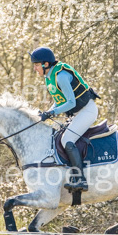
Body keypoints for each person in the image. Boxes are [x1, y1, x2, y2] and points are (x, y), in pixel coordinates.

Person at [30, 46, 99, 191]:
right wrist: (48, 112)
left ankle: (80, 179)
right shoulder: (49, 77)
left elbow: (71, 103)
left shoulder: (60, 76)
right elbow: (60, 101)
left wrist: (53, 112)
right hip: (77, 113)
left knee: (67, 139)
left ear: (46, 64)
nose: (35, 68)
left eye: (36, 65)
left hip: (87, 111)